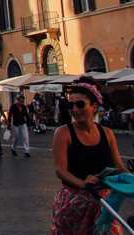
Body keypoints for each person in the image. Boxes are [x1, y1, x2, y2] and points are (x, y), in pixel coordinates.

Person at [52, 79, 128, 234]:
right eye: (70, 105)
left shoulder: (107, 133)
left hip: (103, 203)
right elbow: (60, 171)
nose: (74, 109)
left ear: (94, 107)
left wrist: (130, 179)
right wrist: (82, 183)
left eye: (80, 104)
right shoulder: (63, 133)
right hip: (73, 201)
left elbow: (119, 167)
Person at [8, 94, 31, 158]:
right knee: (16, 138)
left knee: (25, 137)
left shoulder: (24, 107)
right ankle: (13, 148)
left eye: (23, 101)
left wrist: (29, 125)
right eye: (21, 101)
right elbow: (9, 115)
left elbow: (26, 116)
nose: (22, 103)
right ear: (18, 101)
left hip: (23, 123)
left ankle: (27, 151)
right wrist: (9, 124)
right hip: (16, 124)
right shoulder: (13, 107)